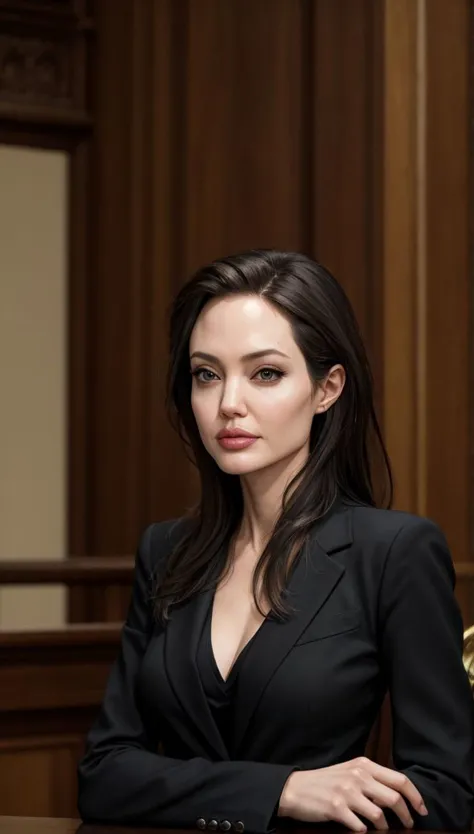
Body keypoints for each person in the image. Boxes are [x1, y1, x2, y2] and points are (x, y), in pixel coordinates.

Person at [77, 250, 474, 833]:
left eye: (265, 373)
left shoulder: (394, 551)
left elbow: (444, 795)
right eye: (206, 374)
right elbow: (104, 775)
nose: (228, 404)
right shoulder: (165, 552)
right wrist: (281, 789)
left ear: (326, 388)